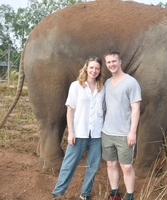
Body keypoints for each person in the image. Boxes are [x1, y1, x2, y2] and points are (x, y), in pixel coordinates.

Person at [52, 56, 105, 200]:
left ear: (100, 71)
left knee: (93, 166)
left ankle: (85, 194)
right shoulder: (76, 86)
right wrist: (71, 132)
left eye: (97, 68)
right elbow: (70, 110)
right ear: (86, 68)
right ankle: (58, 193)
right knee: (69, 164)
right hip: (79, 132)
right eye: (91, 67)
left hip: (96, 134)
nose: (94, 71)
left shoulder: (102, 89)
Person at [102, 50, 141, 200]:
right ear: (106, 64)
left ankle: (130, 196)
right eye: (108, 62)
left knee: (127, 167)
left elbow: (136, 108)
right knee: (110, 164)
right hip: (107, 132)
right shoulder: (107, 83)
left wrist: (132, 132)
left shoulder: (131, 82)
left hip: (125, 133)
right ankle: (115, 194)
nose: (111, 64)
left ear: (120, 62)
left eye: (114, 61)